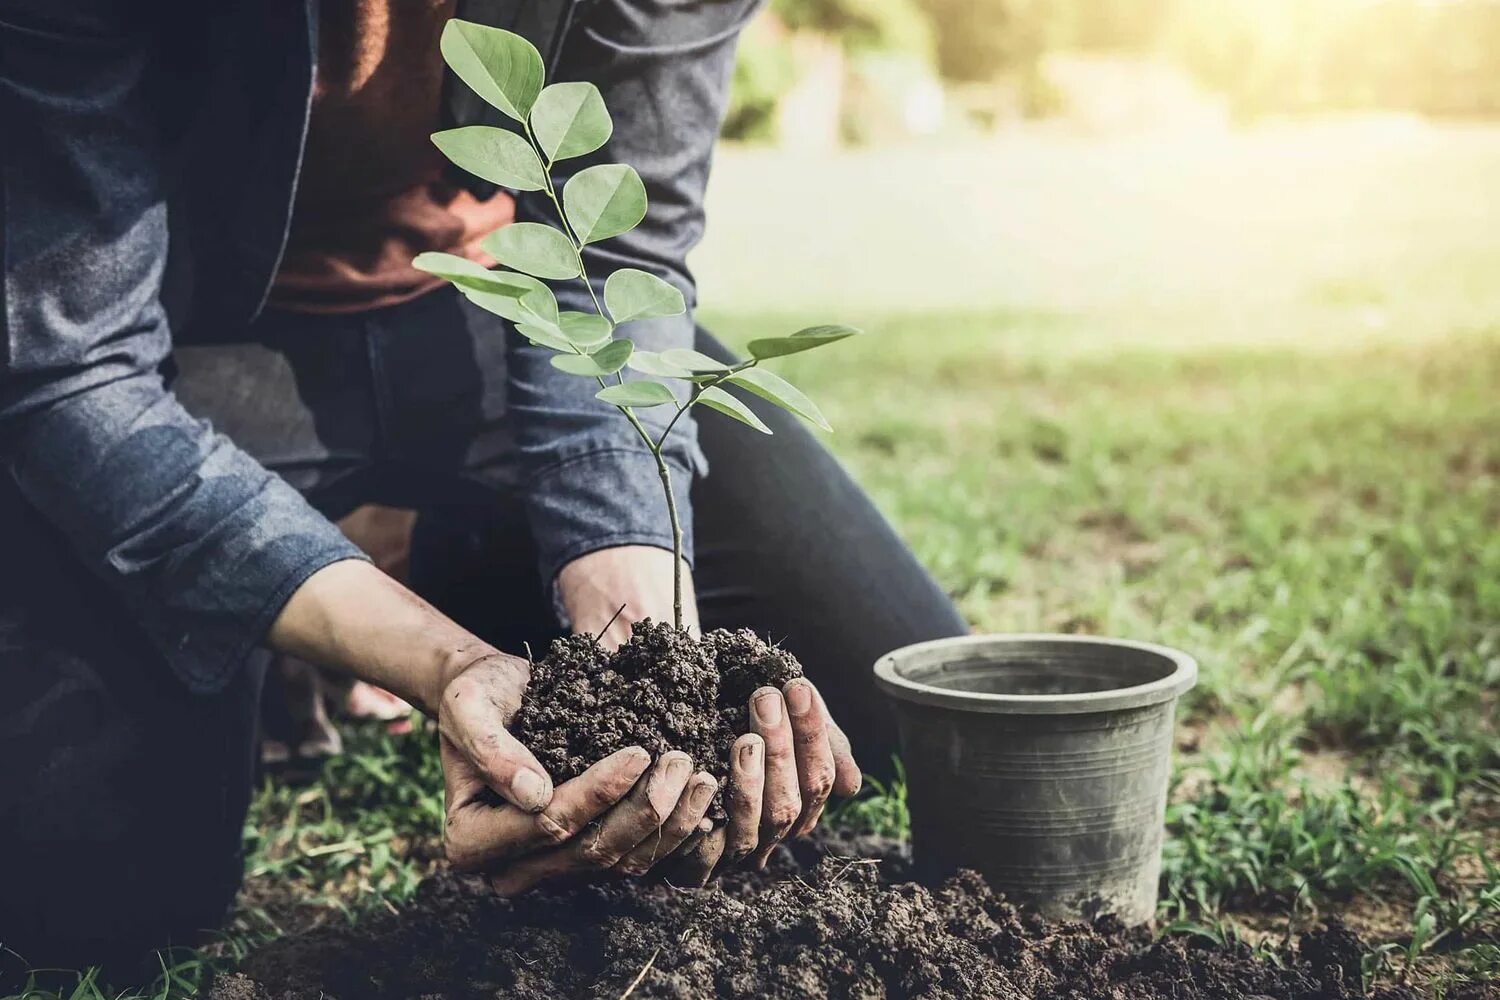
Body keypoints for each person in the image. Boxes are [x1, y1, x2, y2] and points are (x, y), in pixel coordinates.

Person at [0, 0, 967, 976]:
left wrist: (645, 653)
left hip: (503, 314)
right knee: (89, 891)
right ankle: (312, 586)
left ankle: (406, 551)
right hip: (192, 347)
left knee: (897, 719)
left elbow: (611, 266)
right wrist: (443, 662)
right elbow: (74, 373)